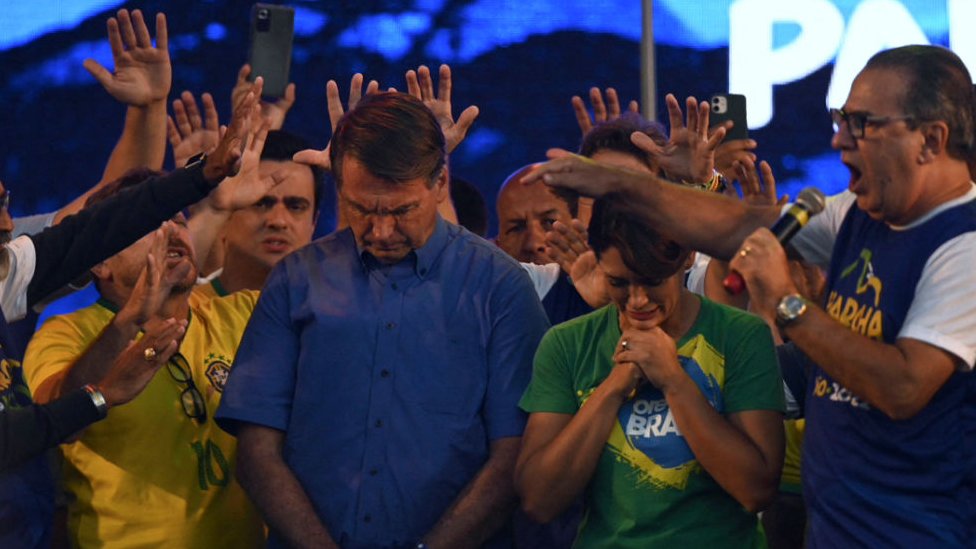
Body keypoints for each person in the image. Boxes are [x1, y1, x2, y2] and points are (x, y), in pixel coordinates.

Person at [527, 45, 976, 547]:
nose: (839, 139)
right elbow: (737, 225)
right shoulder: (861, 213)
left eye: (862, 124)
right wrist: (623, 183)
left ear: (932, 139)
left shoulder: (965, 246)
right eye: (840, 119)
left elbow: (904, 387)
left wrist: (788, 303)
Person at [216, 92, 549, 548]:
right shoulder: (297, 280)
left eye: (401, 210)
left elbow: (515, 456)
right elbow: (256, 449)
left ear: (439, 184)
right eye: (361, 209)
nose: (381, 231)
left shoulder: (499, 287)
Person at [22, 116, 274, 547]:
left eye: (177, 218)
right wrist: (128, 324)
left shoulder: (242, 315)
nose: (171, 230)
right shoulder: (64, 334)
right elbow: (55, 422)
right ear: (99, 261)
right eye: (146, 225)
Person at [516, 198, 784, 547]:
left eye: (652, 280)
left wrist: (673, 379)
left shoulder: (740, 335)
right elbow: (538, 500)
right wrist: (614, 386)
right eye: (619, 282)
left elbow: (756, 490)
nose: (637, 300)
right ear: (598, 264)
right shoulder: (568, 344)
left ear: (688, 257)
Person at [191, 129, 322, 301]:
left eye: (295, 207)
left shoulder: (336, 317)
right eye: (260, 203)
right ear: (224, 217)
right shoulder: (180, 313)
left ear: (314, 222)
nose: (278, 221)